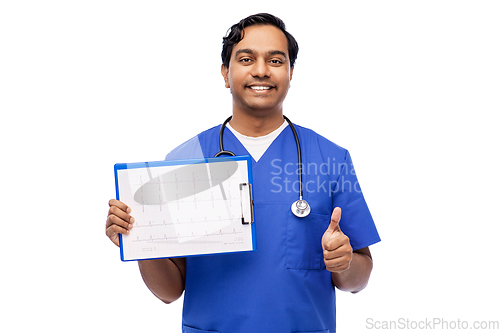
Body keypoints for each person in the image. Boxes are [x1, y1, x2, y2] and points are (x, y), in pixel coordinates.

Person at [106, 13, 380, 333]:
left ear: (291, 72)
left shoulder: (331, 159)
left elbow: (358, 279)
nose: (261, 70)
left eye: (276, 60)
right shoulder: (186, 159)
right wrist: (139, 240)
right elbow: (169, 291)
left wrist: (344, 264)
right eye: (246, 58)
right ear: (225, 73)